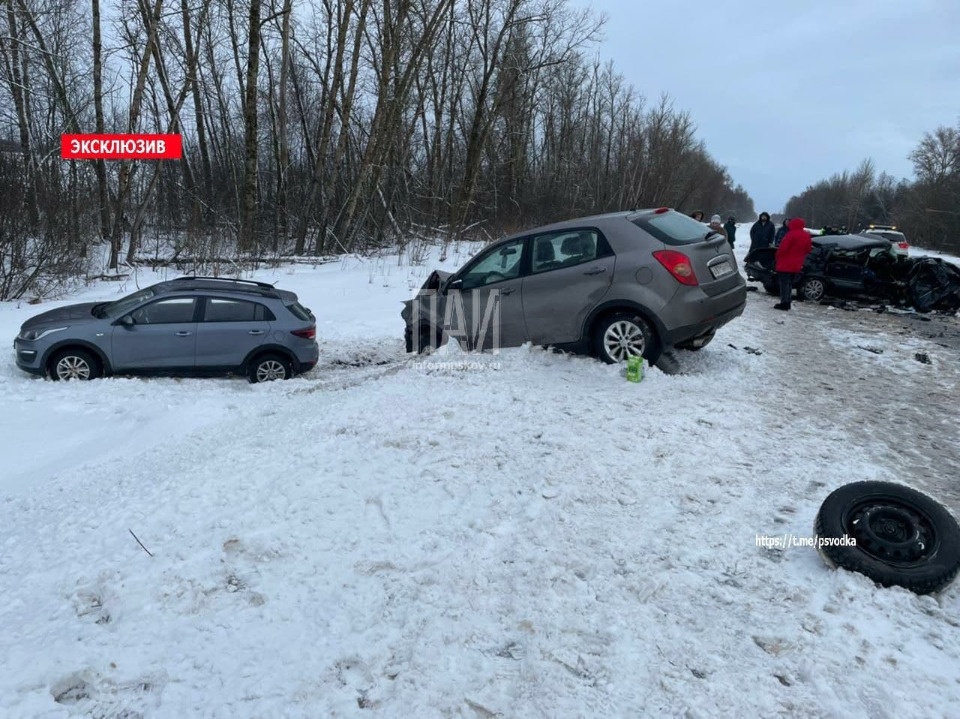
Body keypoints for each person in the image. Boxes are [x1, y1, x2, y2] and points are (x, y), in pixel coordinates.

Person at [773, 218, 813, 310]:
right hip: (797, 263)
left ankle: (784, 303)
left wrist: (777, 256)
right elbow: (808, 249)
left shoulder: (790, 234)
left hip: (785, 262)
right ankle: (788, 301)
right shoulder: (806, 235)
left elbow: (783, 248)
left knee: (784, 284)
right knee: (790, 283)